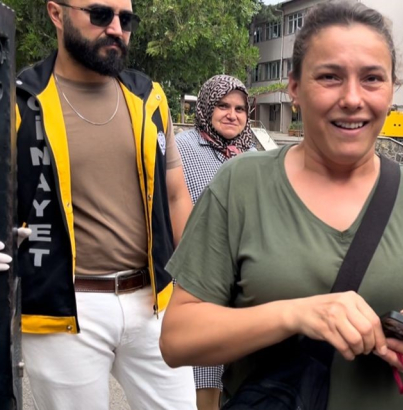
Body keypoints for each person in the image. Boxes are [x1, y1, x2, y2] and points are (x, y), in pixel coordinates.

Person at [159, 3, 403, 410]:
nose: (352, 98)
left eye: (372, 78)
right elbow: (177, 339)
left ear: (392, 90)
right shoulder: (240, 185)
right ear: (295, 88)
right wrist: (296, 315)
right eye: (330, 77)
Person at [14, 1, 196, 408]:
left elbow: (175, 193)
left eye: (125, 19)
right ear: (57, 14)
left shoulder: (149, 97)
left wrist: (195, 282)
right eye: (100, 15)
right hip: (63, 310)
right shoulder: (21, 100)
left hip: (153, 301)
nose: (116, 28)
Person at [175, 75, 257, 410]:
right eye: (223, 105)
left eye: (240, 108)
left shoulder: (254, 155)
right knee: (202, 371)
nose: (232, 115)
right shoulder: (182, 148)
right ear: (207, 106)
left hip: (244, 275)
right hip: (198, 275)